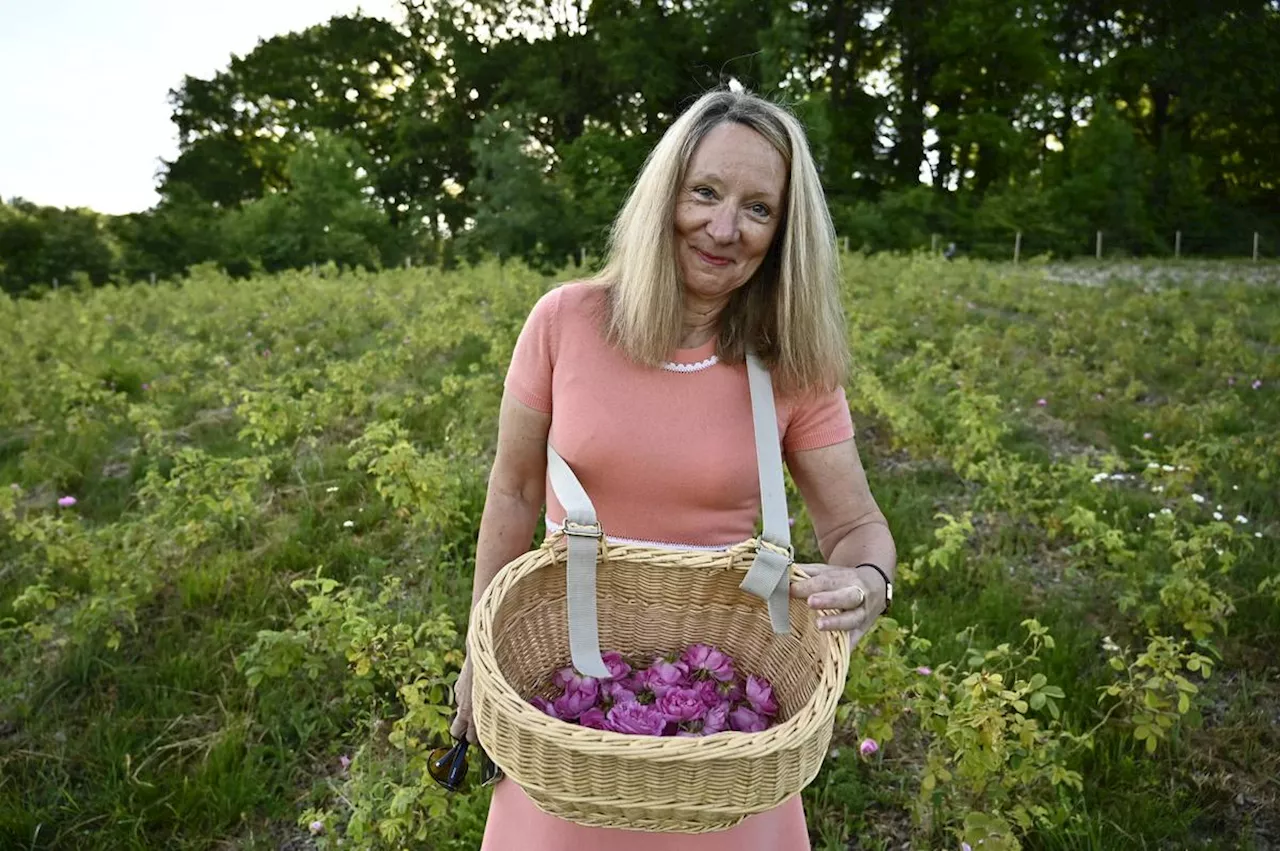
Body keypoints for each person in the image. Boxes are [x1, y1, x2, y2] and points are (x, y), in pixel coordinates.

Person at [450, 88, 897, 851]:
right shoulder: (567, 321)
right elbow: (514, 490)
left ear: (786, 233)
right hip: (572, 710)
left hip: (723, 735)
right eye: (705, 192)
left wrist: (869, 584)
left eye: (759, 209)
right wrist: (476, 661)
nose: (724, 229)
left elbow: (857, 527)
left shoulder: (791, 363)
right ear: (667, 195)